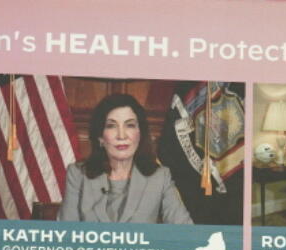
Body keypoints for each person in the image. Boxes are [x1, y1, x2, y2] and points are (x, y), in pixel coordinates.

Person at [58, 92, 193, 224]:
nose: (122, 135)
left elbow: (185, 231)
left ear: (140, 134)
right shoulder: (78, 175)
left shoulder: (160, 177)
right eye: (111, 126)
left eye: (130, 125)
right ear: (100, 137)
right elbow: (64, 236)